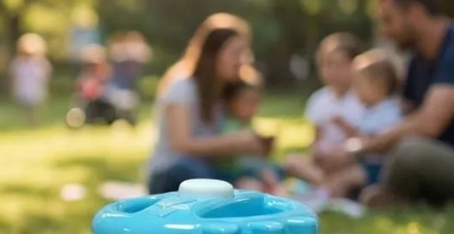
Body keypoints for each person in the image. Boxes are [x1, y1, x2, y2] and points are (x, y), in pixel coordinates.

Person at [327, 0, 454, 207]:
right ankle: (384, 194)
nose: (384, 31)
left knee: (409, 151)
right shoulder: (418, 63)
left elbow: (426, 125)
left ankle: (389, 194)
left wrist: (357, 149)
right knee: (401, 150)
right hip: (439, 166)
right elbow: (402, 121)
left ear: (414, 13)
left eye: (388, 20)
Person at [146, 13, 271, 194]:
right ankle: (236, 191)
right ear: (213, 54)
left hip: (210, 171)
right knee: (190, 169)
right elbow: (182, 144)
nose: (242, 61)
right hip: (172, 175)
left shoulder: (227, 91)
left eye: (245, 53)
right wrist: (232, 142)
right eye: (235, 53)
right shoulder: (182, 87)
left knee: (258, 171)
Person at [301, 50, 404, 212]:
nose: (355, 90)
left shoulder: (388, 111)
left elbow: (373, 141)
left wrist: (345, 134)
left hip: (380, 168)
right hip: (367, 165)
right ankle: (328, 196)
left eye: (360, 85)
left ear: (378, 85)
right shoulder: (370, 110)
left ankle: (324, 200)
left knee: (344, 179)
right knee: (342, 174)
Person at [283, 33, 365, 187]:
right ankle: (326, 183)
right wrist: (318, 154)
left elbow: (366, 141)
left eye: (340, 65)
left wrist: (345, 128)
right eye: (327, 65)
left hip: (350, 160)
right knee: (292, 161)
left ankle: (325, 185)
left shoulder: (363, 98)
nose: (333, 71)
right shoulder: (319, 99)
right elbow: (315, 140)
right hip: (324, 163)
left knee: (358, 172)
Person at [218, 76, 283, 193]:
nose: (253, 107)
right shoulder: (230, 127)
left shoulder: (250, 125)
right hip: (234, 175)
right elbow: (234, 161)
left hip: (255, 171)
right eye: (247, 102)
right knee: (253, 186)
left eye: (256, 102)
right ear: (233, 103)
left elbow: (260, 157)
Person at [8, 32, 52, 125]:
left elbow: (47, 73)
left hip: (36, 88)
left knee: (36, 106)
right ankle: (26, 121)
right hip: (23, 88)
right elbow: (14, 76)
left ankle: (36, 122)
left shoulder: (40, 62)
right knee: (25, 107)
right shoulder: (18, 62)